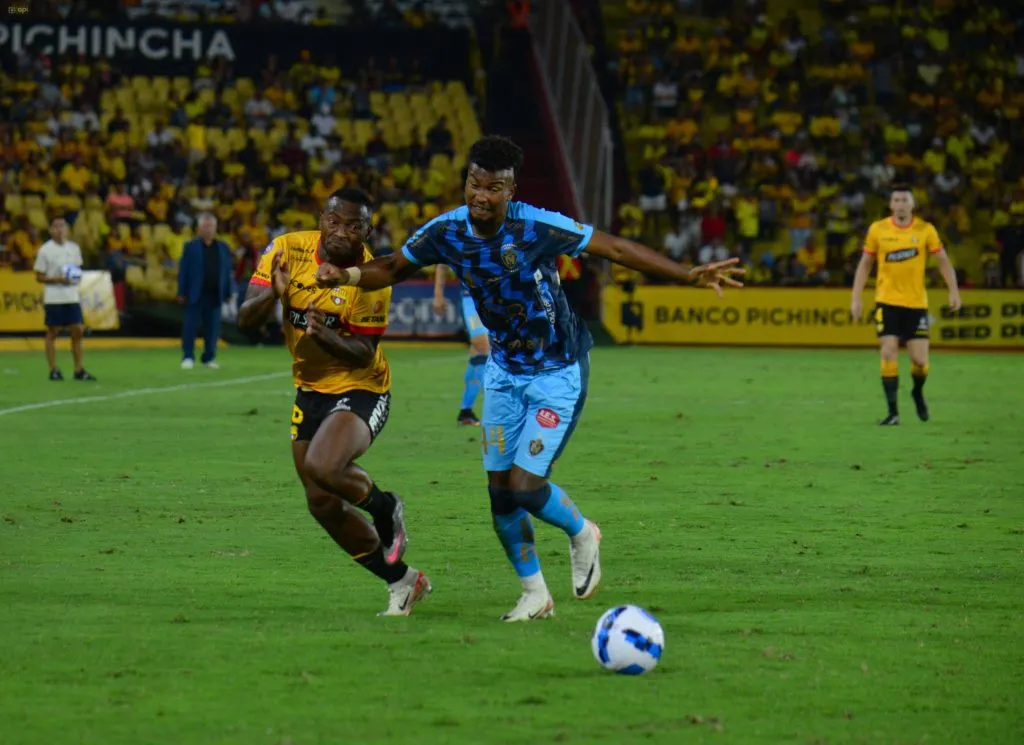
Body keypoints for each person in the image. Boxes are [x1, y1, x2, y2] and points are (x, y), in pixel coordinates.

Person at [315, 136, 743, 621]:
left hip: (557, 371)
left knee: (524, 486)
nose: (481, 195)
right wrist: (346, 277)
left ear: (510, 189)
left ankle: (582, 531)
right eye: (474, 184)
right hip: (503, 372)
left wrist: (686, 275)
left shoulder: (538, 226)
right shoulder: (446, 231)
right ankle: (535, 594)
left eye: (493, 188)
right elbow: (392, 266)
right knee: (500, 496)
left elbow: (615, 248)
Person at [237, 188, 428, 617]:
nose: (342, 232)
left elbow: (365, 351)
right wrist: (275, 296)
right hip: (310, 388)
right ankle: (402, 581)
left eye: (354, 226)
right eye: (334, 221)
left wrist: (325, 335)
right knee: (321, 502)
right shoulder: (286, 249)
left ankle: (385, 506)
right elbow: (244, 318)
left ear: (367, 231)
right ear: (322, 219)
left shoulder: (371, 274)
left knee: (322, 466)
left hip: (363, 386)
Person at [850, 184, 962, 425]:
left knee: (920, 361)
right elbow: (865, 264)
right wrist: (856, 297)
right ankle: (893, 413)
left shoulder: (925, 230)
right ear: (891, 205)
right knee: (888, 350)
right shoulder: (878, 230)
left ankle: (917, 392)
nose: (901, 204)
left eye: (905, 200)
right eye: (897, 200)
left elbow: (942, 261)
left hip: (915, 303)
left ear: (913, 205)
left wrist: (953, 290)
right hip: (886, 302)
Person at [33, 215, 96, 382]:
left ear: (68, 230)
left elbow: (77, 270)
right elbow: (39, 276)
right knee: (53, 332)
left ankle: (78, 369)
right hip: (54, 297)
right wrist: (58, 279)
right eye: (56, 227)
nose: (59, 230)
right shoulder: (45, 250)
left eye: (62, 227)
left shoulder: (74, 248)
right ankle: (53, 369)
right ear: (50, 230)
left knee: (78, 330)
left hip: (71, 296)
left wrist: (75, 278)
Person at [433, 264, 489, 426]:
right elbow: (442, 265)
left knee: (479, 352)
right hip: (470, 297)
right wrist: (438, 295)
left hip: (494, 297)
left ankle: (466, 411)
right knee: (483, 346)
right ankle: (493, 406)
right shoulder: (459, 239)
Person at [177, 213, 233, 370]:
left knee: (213, 328)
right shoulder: (191, 247)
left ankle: (209, 357)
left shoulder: (222, 247)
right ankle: (188, 356)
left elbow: (226, 272)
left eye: (211, 226)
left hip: (215, 293)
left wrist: (228, 292)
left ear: (215, 228)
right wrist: (181, 292)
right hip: (195, 293)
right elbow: (184, 271)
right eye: (205, 226)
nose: (208, 229)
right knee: (190, 326)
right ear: (199, 228)